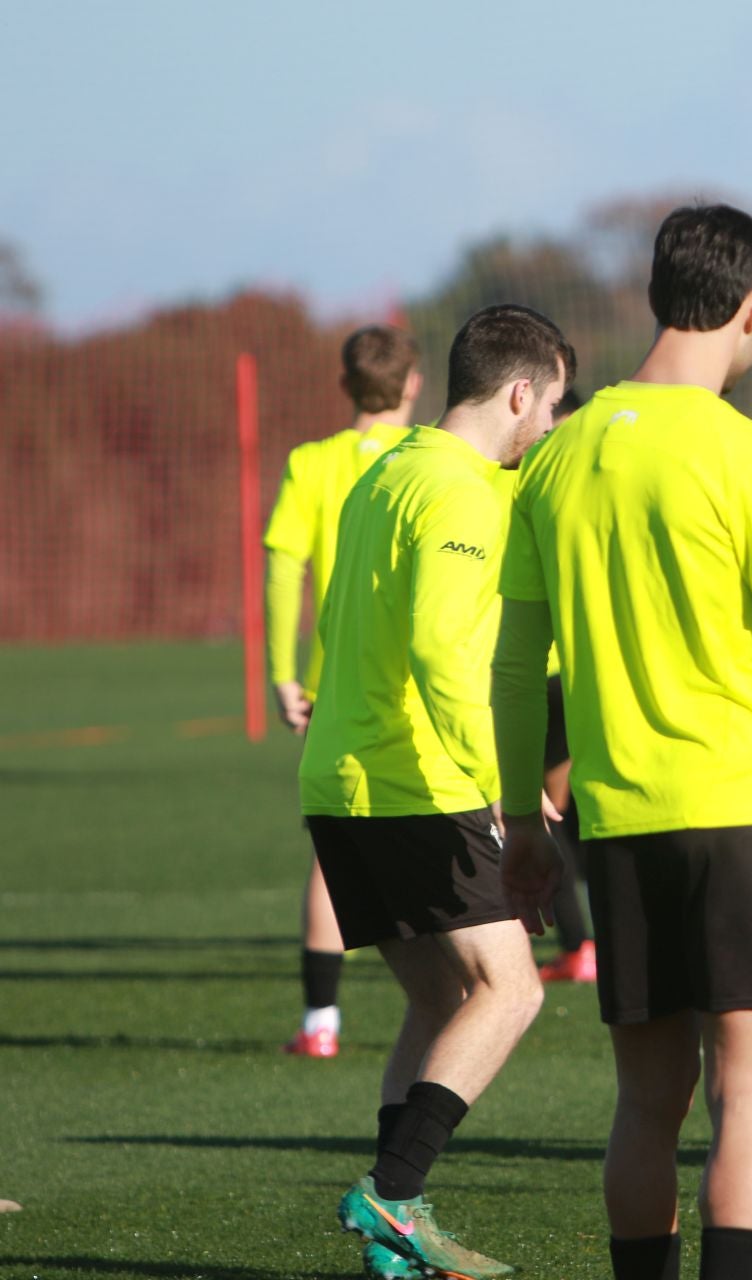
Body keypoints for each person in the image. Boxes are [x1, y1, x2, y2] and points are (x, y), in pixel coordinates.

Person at [493, 204, 752, 1280]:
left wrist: (518, 818)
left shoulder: (555, 458)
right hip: (745, 812)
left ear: (656, 298)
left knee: (645, 1099)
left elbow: (509, 664)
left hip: (618, 819)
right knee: (751, 1095)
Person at [306, 304, 574, 1279]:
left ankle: (394, 1231)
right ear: (518, 392)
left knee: (435, 999)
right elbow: (435, 649)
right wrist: (508, 794)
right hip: (421, 779)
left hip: (341, 780)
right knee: (509, 989)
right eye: (548, 406)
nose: (546, 428)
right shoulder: (462, 492)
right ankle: (393, 1191)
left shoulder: (388, 470)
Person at [263, 324, 420, 1058]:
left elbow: (282, 567)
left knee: (334, 856)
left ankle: (321, 1022)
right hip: (420, 681)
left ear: (346, 385)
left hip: (336, 685)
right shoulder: (430, 459)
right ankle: (465, 991)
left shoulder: (312, 463)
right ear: (413, 384)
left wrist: (282, 673)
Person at [531, 386, 598, 986]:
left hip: (548, 673)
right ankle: (597, 939)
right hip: (587, 669)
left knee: (549, 812)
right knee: (580, 809)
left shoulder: (531, 485)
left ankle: (580, 944)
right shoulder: (597, 486)